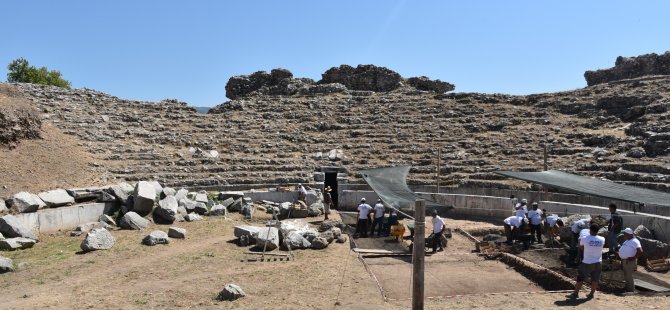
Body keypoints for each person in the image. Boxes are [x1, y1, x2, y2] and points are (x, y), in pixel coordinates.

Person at [567, 224, 605, 299]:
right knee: (595, 279)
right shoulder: (602, 239)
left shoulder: (585, 238)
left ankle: (575, 294)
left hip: (587, 262)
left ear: (590, 230)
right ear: (598, 231)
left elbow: (581, 246)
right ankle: (591, 294)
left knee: (581, 277)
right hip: (598, 261)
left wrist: (586, 250)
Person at [618, 228, 643, 293]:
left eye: (624, 234)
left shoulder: (635, 241)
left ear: (628, 234)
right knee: (626, 275)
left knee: (628, 275)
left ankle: (630, 290)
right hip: (625, 260)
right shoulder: (627, 241)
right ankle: (627, 288)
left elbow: (640, 251)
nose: (623, 235)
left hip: (629, 261)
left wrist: (633, 258)